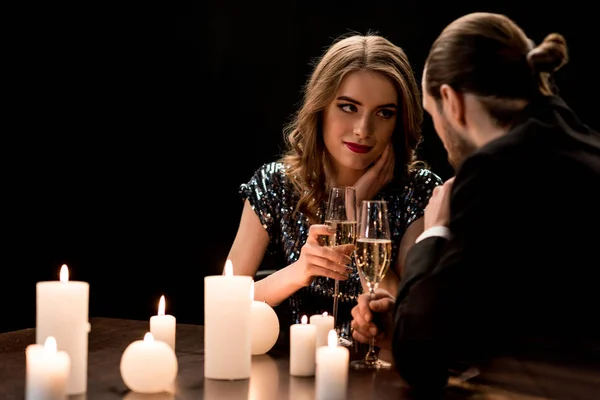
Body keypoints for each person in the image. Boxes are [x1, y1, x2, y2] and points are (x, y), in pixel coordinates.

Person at [351, 12, 600, 398]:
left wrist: (433, 231)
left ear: (451, 101)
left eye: (432, 115)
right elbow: (520, 314)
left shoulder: (492, 169)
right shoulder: (587, 146)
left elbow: (420, 358)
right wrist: (403, 322)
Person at [226, 32, 443, 341]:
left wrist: (356, 219)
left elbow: (412, 316)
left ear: (399, 121)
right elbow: (226, 304)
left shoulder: (417, 192)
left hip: (375, 380)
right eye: (348, 107)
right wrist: (301, 270)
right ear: (321, 108)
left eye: (384, 113)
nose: (363, 130)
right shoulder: (275, 184)